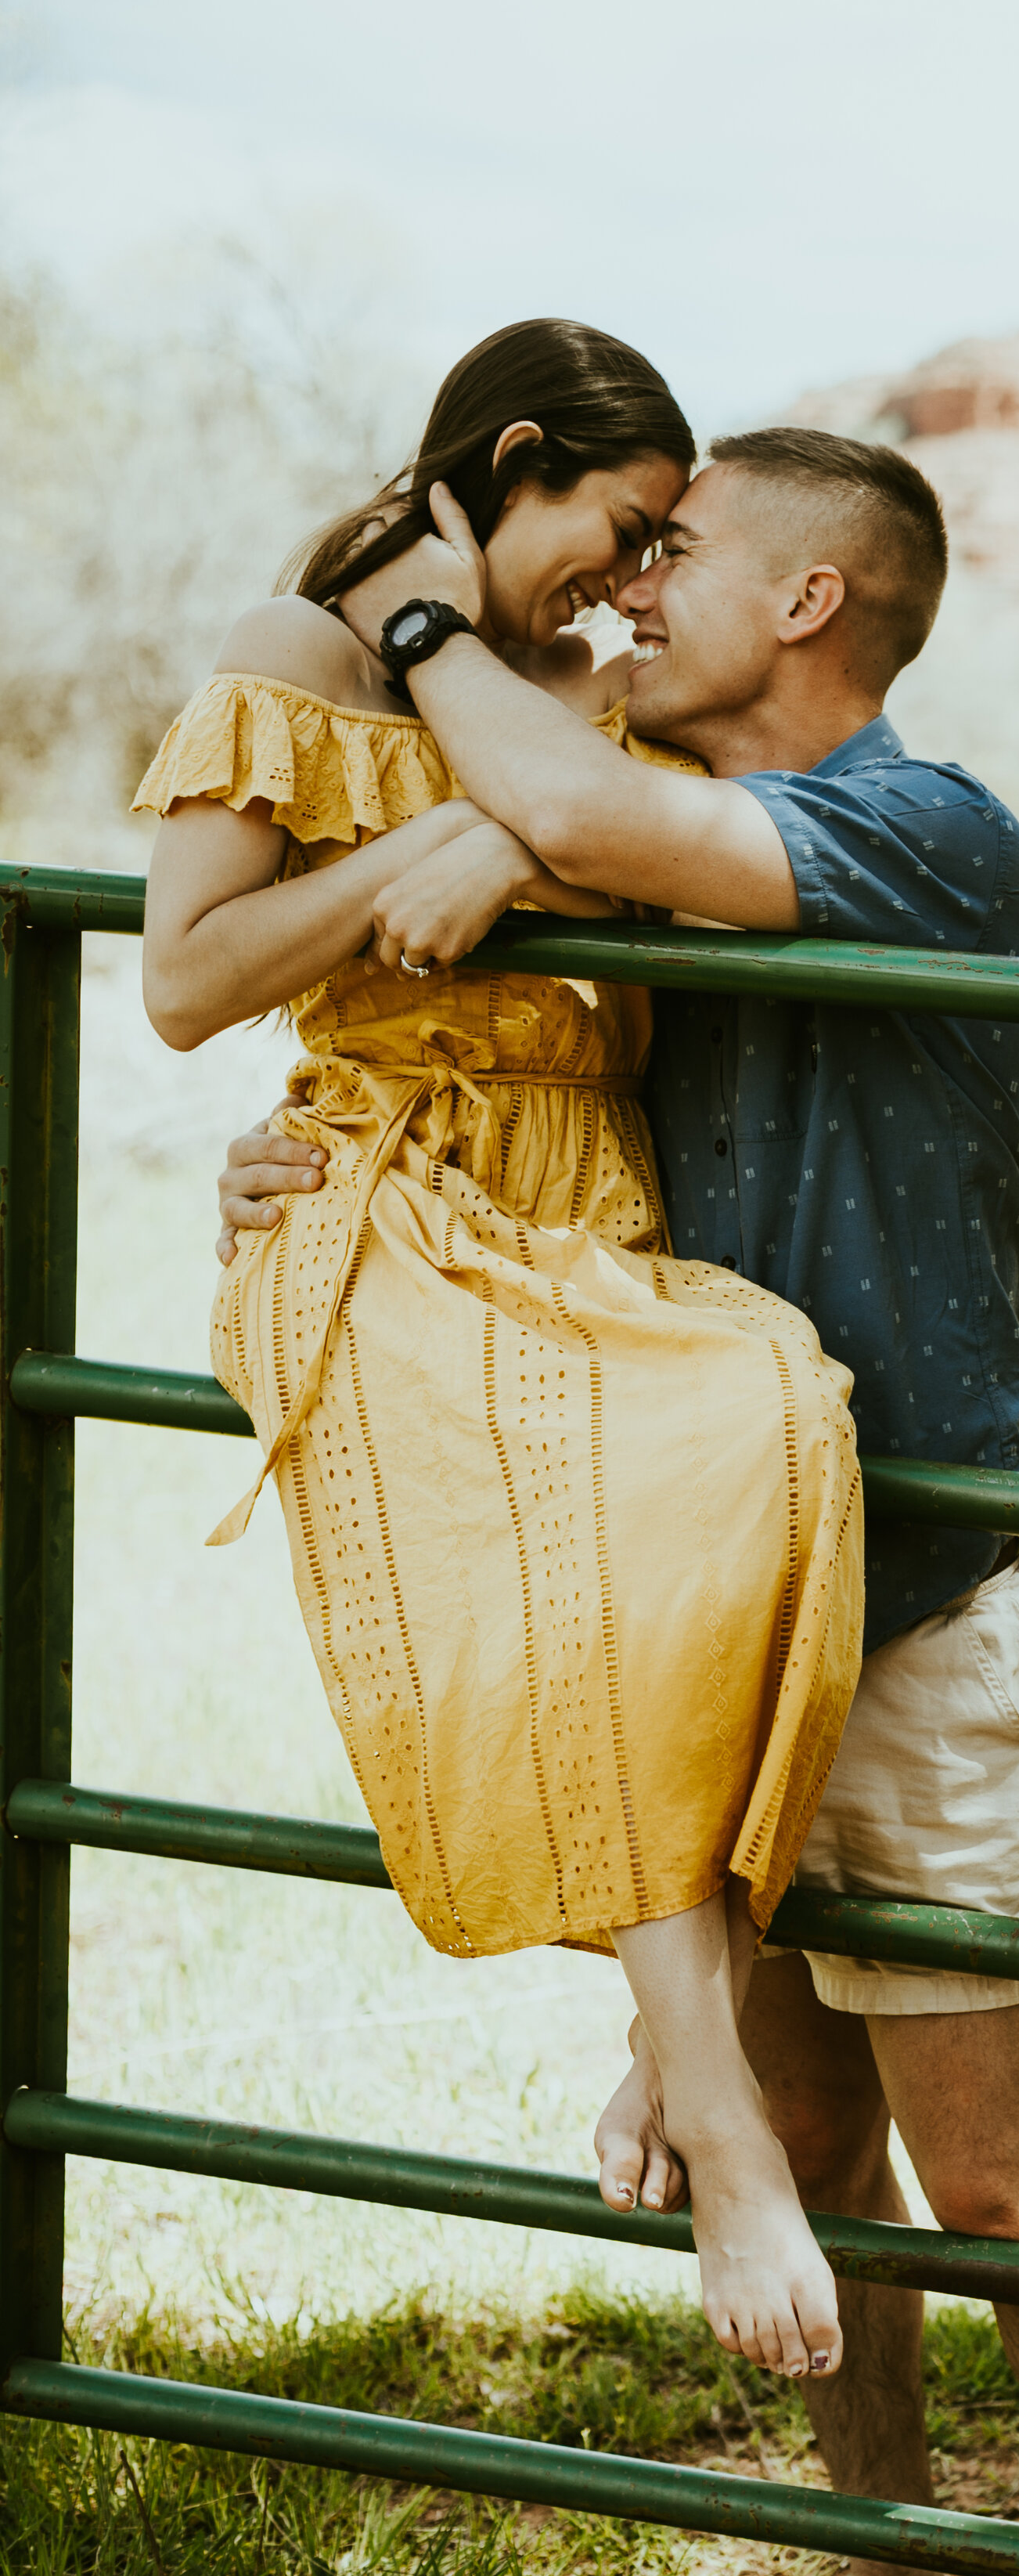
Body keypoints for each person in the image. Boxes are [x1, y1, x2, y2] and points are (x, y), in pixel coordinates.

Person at [219, 423, 1019, 2576]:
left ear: (808, 607)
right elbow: (455, 1064)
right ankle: (886, 2572)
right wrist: (295, 1157)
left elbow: (590, 821)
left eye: (676, 559)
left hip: (909, 1585)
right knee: (793, 2120)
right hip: (693, 1586)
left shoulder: (923, 827)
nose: (629, 588)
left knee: (994, 2176)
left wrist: (429, 627)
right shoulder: (612, 838)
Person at [139, 319, 865, 2390]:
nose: (632, 584)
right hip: (372, 1205)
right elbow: (186, 984)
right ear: (520, 459)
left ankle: (671, 2041)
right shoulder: (297, 652)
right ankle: (721, 2122)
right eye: (622, 531)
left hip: (590, 1202)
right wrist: (429, 848)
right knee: (568, 1586)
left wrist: (530, 832)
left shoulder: (599, 694)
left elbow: (689, 868)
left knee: (759, 1444)